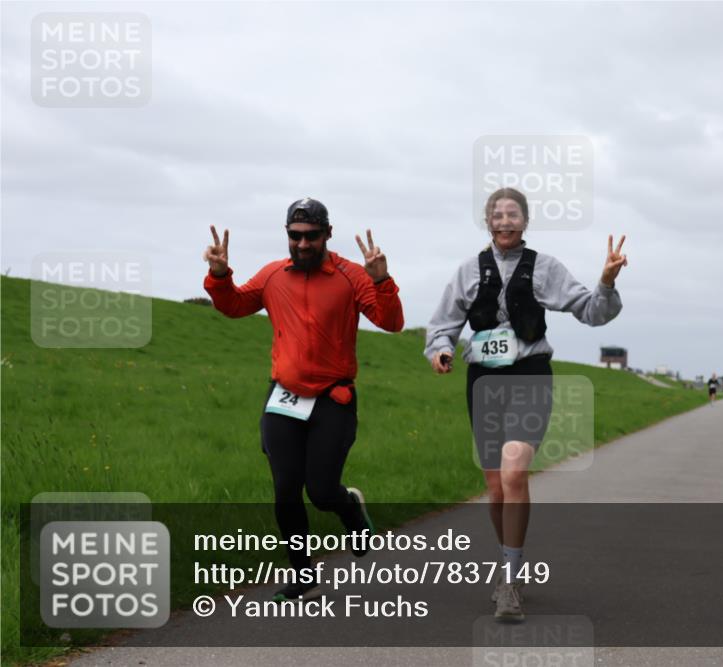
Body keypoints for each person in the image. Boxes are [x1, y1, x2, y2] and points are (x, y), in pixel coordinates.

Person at [424, 187, 626, 622]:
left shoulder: (544, 268)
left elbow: (592, 311)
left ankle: (510, 583)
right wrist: (441, 350)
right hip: (483, 382)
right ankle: (509, 563)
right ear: (487, 221)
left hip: (529, 375)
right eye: (496, 214)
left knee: (516, 467)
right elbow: (442, 325)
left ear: (525, 221)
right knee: (497, 488)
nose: (504, 221)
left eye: (513, 214)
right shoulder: (468, 271)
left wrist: (606, 281)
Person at [202, 197, 404, 601]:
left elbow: (391, 322)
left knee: (322, 491)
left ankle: (350, 509)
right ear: (288, 236)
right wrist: (220, 275)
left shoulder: (351, 277)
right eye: (296, 236)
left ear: (327, 234)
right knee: (286, 489)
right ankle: (303, 573)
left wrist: (382, 281)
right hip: (284, 398)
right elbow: (236, 306)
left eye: (312, 236)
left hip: (334, 397)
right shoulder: (274, 275)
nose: (304, 244)